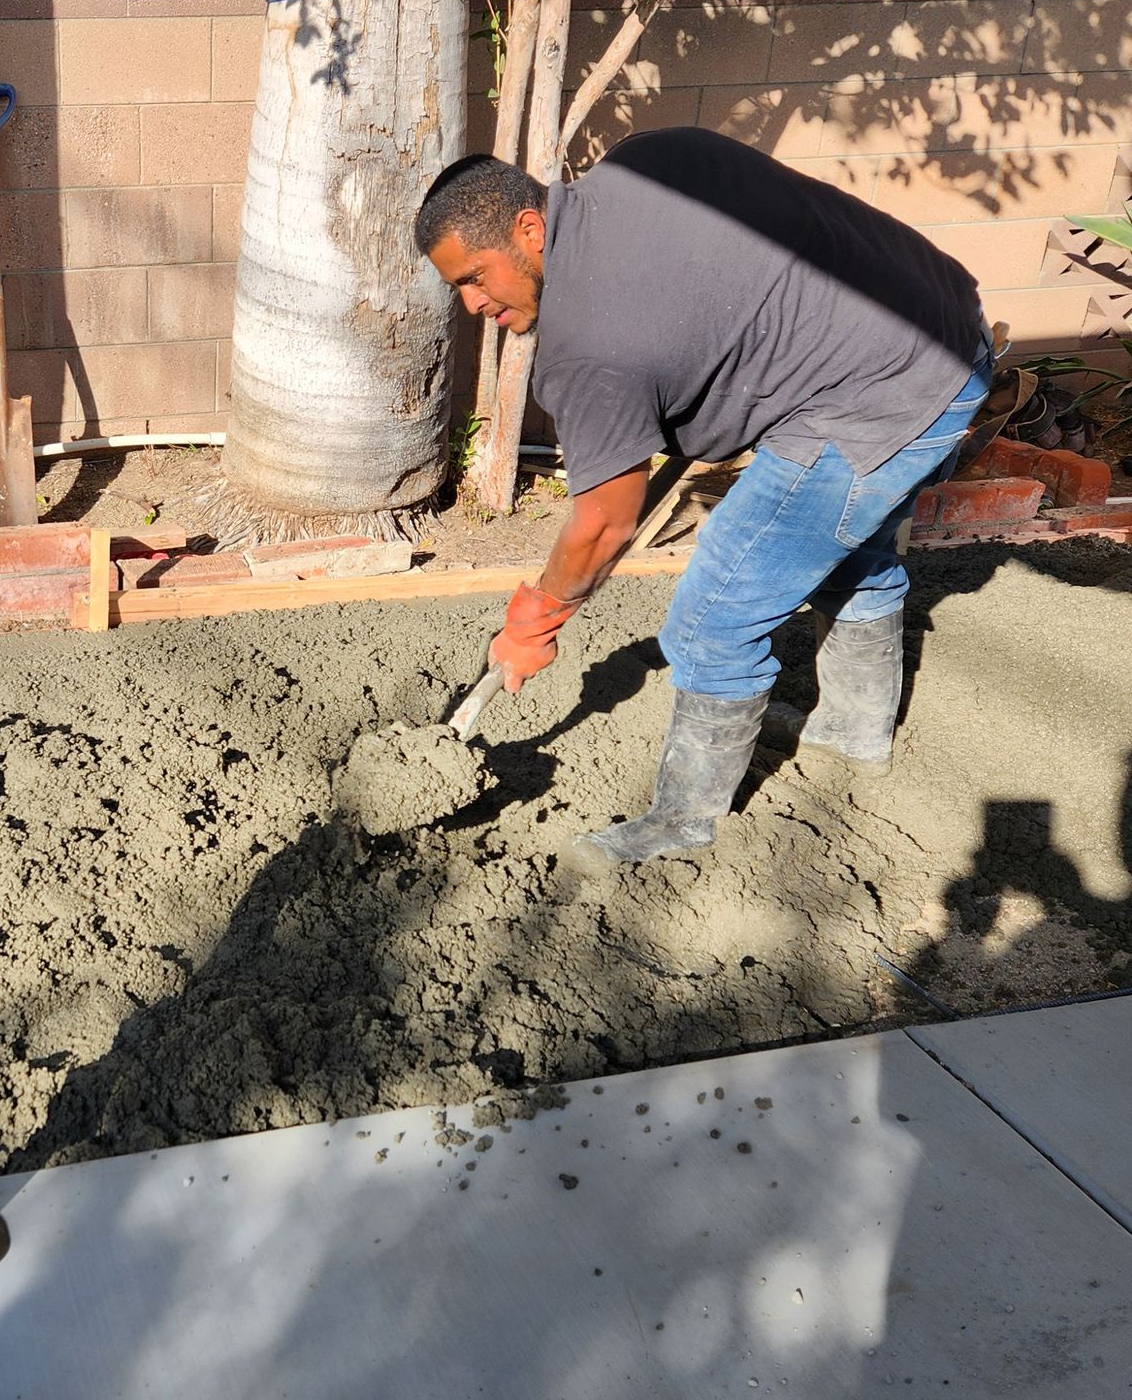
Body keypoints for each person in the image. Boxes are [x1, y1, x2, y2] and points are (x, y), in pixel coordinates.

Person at [415, 128, 992, 870]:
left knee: (712, 617)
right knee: (842, 545)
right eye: (455, 287)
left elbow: (604, 524)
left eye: (475, 277)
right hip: (945, 318)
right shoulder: (646, 160)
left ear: (529, 229)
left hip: (883, 394)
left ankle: (682, 826)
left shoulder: (590, 349)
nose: (470, 304)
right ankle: (851, 733)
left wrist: (537, 619)